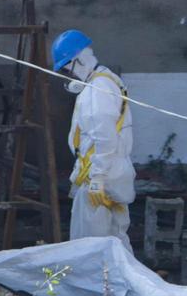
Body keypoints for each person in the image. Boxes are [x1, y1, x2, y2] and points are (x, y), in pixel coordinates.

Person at [51, 29, 135, 249]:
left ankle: (99, 285)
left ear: (77, 61)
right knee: (115, 243)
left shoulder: (96, 90)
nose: (68, 76)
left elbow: (104, 139)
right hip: (111, 174)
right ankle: (120, 284)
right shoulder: (104, 80)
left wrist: (96, 177)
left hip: (99, 179)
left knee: (90, 248)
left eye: (67, 69)